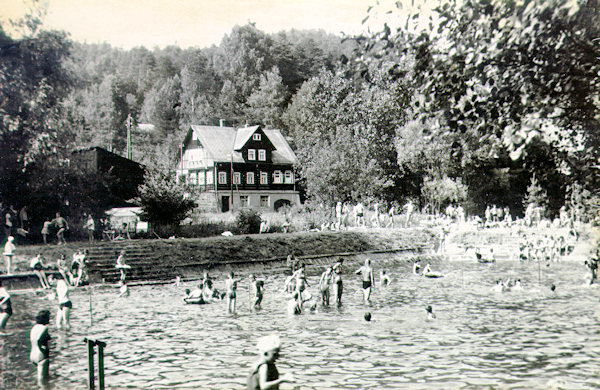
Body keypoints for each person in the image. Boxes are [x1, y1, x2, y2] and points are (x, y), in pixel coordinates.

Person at [30, 310, 51, 390]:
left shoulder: (34, 327)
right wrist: (43, 350)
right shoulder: (44, 328)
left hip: (33, 354)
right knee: (43, 381)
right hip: (40, 355)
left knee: (39, 378)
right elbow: (39, 340)